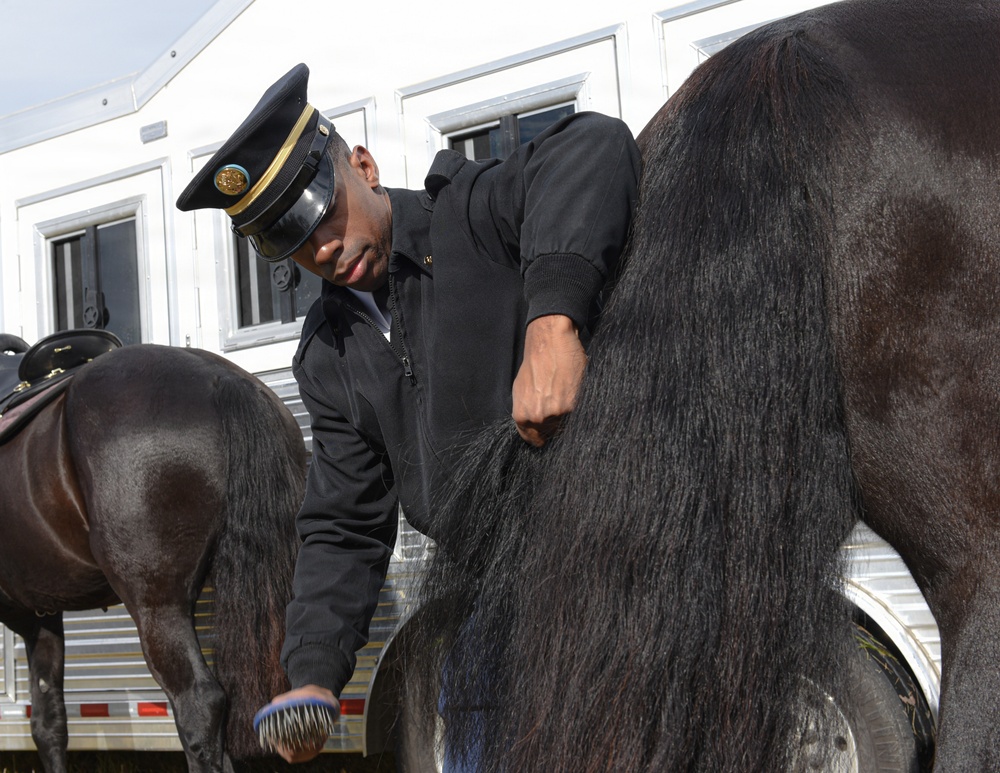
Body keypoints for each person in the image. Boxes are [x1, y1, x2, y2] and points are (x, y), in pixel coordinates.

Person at [176, 62, 640, 764]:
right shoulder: (329, 353)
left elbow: (594, 145)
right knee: (469, 715)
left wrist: (554, 318)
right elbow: (344, 521)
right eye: (292, 240)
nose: (321, 249)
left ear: (361, 164)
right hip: (502, 590)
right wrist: (312, 673)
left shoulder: (470, 214)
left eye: (319, 214)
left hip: (615, 556)